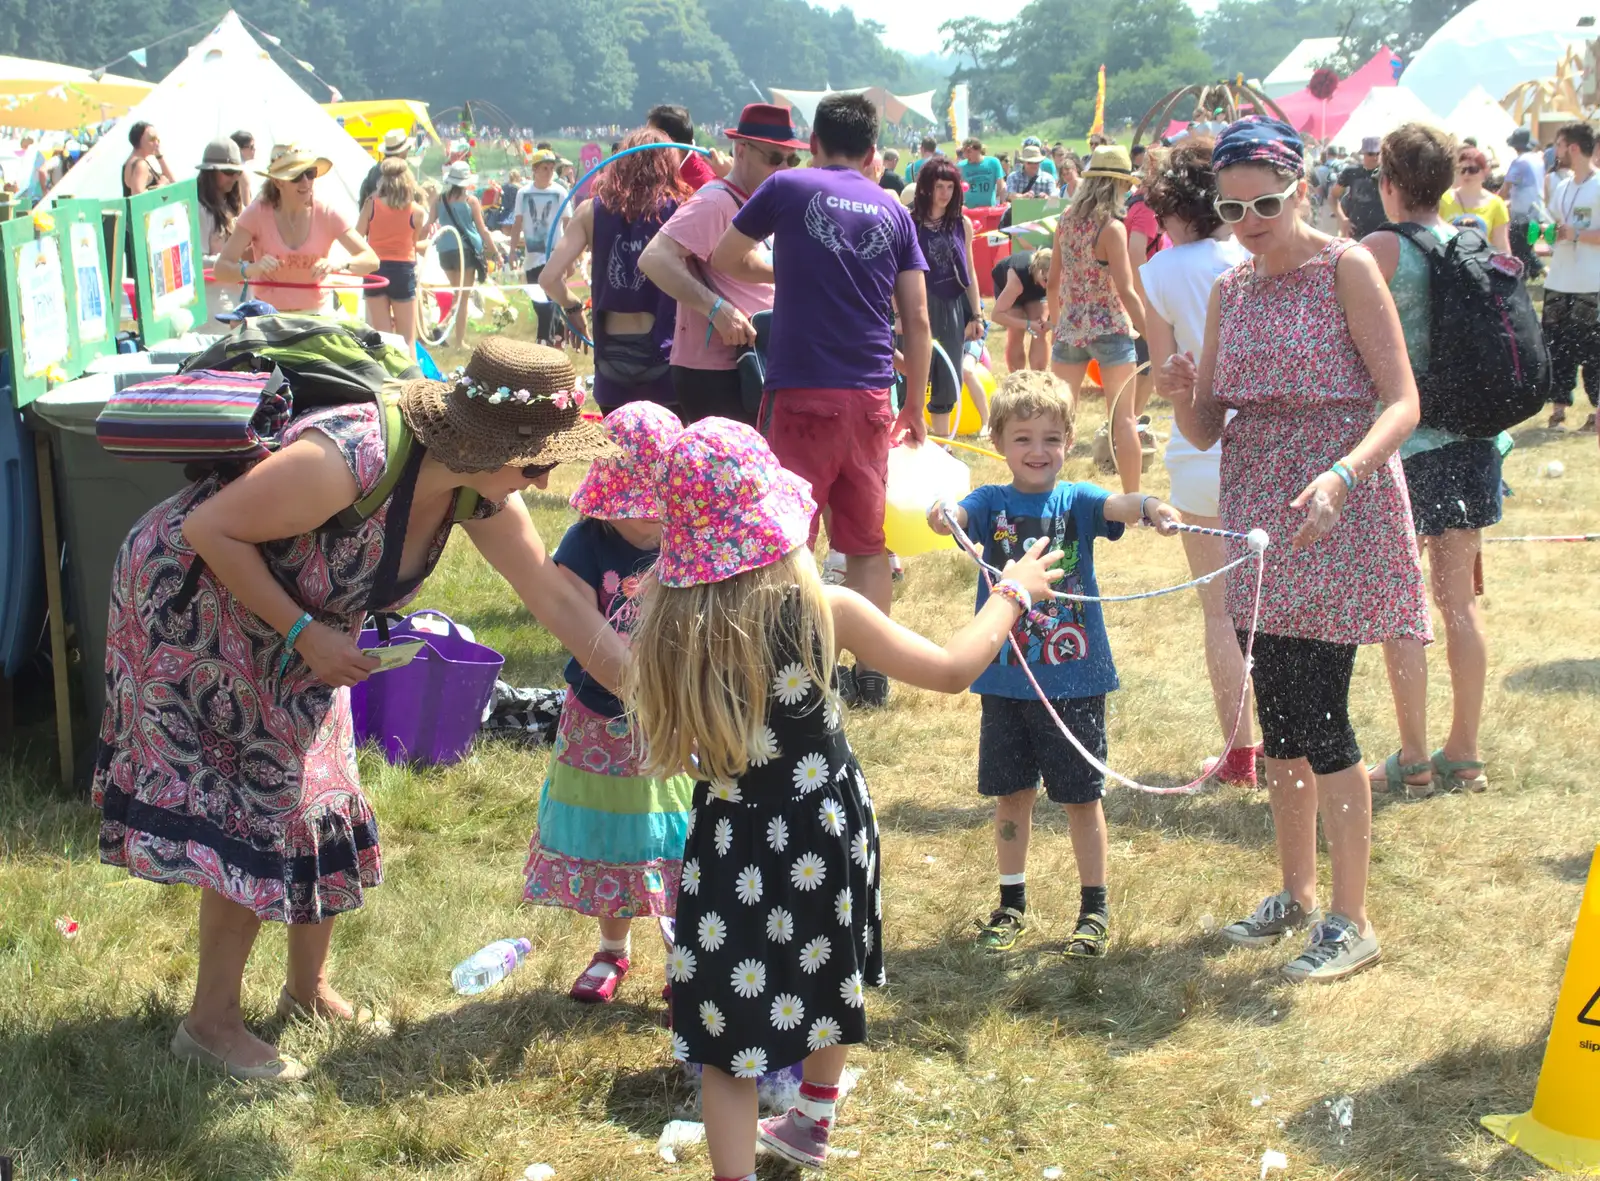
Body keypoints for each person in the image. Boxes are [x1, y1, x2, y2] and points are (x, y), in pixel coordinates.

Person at [94, 340, 630, 1080]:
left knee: (326, 789)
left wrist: (653, 691)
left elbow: (553, 596)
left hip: (297, 629)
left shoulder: (479, 490)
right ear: (486, 444)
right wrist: (304, 633)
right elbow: (207, 530)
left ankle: (306, 991)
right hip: (196, 604)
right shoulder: (350, 458)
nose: (545, 479)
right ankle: (209, 1022)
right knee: (255, 801)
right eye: (538, 462)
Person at [628, 418, 1062, 1180]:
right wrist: (1011, 596)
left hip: (730, 847)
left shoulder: (670, 624)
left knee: (727, 1036)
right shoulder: (825, 609)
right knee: (832, 974)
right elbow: (955, 667)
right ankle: (811, 1120)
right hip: (824, 828)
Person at [1162, 117, 1430, 984]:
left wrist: (1342, 475)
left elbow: (1401, 402)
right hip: (1259, 522)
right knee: (1278, 718)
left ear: (1302, 189)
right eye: (1232, 206)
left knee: (1322, 719)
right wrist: (1177, 394)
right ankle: (1297, 891)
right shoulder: (1229, 291)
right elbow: (1209, 422)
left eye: (1266, 203)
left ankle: (1353, 919)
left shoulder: (1346, 268)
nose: (1249, 220)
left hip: (1335, 514)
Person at [929, 372, 1178, 956]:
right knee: (1011, 795)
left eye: (1050, 438)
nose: (1037, 451)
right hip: (1005, 680)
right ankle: (1010, 903)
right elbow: (956, 517)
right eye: (1022, 439)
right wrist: (944, 516)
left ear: (1069, 440)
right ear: (997, 442)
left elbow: (1120, 503)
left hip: (1075, 681)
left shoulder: (1079, 500)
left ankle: (1093, 909)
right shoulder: (989, 502)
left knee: (1079, 797)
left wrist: (1151, 505)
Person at [710, 90, 932, 710]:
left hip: (801, 390)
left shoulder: (787, 187)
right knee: (865, 542)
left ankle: (797, 666)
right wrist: (914, 403)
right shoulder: (893, 209)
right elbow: (915, 318)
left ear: (811, 144)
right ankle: (874, 673)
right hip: (869, 395)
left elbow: (726, 256)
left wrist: (791, 273)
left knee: (790, 539)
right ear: (870, 153)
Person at [523, 402, 695, 1001]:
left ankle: (686, 953)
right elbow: (569, 612)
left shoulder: (686, 542)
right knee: (611, 834)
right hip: (600, 714)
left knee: (673, 836)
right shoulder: (585, 542)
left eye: (656, 509)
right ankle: (612, 949)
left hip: (672, 717)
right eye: (634, 510)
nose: (648, 523)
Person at [1361, 124, 1502, 799]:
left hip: (1405, 448)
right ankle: (1465, 754)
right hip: (1472, 443)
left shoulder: (1379, 250)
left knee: (1401, 601)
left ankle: (1413, 759)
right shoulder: (1468, 237)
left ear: (1388, 182)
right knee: (1460, 602)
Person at [1139, 135, 1258, 787]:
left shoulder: (1160, 271)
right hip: (1271, 445)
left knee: (1221, 612)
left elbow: (1164, 377)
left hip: (1197, 453)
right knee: (1279, 607)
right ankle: (1292, 741)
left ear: (1174, 207)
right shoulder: (1257, 251)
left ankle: (1239, 753)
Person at [638, 103, 802, 424]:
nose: (783, 169)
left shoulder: (752, 202)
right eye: (773, 158)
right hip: (720, 371)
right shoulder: (715, 201)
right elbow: (654, 257)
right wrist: (716, 309)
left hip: (749, 363)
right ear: (741, 151)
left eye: (791, 160)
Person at [542, 127, 686, 411]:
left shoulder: (590, 211)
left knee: (618, 453)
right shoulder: (680, 209)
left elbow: (548, 278)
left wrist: (572, 307)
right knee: (668, 453)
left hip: (611, 366)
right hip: (666, 359)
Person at [1047, 144, 1146, 494]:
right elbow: (1127, 290)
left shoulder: (1067, 220)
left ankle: (1043, 492)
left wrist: (1058, 323)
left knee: (1056, 419)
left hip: (1071, 328)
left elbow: (1053, 280)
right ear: (1117, 185)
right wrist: (1150, 332)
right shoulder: (1112, 228)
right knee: (1124, 420)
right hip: (1112, 329)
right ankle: (1133, 500)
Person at [214, 145, 379, 315]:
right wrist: (252, 268)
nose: (306, 182)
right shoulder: (257, 213)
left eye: (310, 173)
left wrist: (339, 264)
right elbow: (221, 269)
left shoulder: (326, 212)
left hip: (316, 316)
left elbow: (372, 260)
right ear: (278, 182)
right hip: (268, 317)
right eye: (296, 176)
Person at [911, 158, 984, 438]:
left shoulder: (961, 224)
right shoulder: (910, 221)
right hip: (916, 303)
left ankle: (942, 445)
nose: (944, 193)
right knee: (913, 376)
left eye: (950, 187)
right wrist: (896, 313)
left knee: (947, 380)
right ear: (926, 188)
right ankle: (914, 440)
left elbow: (970, 272)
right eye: (938, 186)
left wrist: (976, 314)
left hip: (951, 305)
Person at [1540, 121, 1600, 432]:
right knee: (1557, 346)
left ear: (1573, 148)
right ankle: (1559, 410)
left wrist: (1575, 233)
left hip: (1591, 281)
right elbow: (1553, 224)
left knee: (1592, 349)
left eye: (1560, 145)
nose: (1556, 151)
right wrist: (1545, 233)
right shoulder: (1561, 186)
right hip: (1559, 279)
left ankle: (1597, 410)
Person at [429, 159, 504, 349]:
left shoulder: (439, 200)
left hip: (445, 251)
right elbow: (482, 229)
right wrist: (495, 253)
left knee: (458, 294)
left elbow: (428, 224)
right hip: (467, 251)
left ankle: (443, 326)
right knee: (463, 296)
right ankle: (458, 340)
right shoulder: (471, 201)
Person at [357, 157, 428, 347]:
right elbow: (411, 246)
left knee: (383, 338)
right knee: (407, 339)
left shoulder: (371, 204)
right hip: (403, 272)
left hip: (375, 270)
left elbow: (356, 238)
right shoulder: (417, 212)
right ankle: (411, 377)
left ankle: (386, 376)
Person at [1125, 144, 1170, 415]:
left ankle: (1130, 420)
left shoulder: (1138, 199)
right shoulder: (1145, 206)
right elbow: (1135, 252)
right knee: (1146, 362)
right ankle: (1133, 420)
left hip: (1141, 290)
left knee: (1146, 361)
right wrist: (1143, 296)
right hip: (1143, 293)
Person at [510, 150, 570, 345]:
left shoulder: (560, 192)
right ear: (534, 170)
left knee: (549, 301)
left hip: (555, 256)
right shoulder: (523, 193)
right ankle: (558, 331)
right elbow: (517, 223)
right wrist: (512, 251)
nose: (549, 172)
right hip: (532, 257)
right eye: (545, 168)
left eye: (552, 168)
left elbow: (569, 224)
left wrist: (572, 256)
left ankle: (543, 341)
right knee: (539, 303)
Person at [196, 138, 247, 333]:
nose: (234, 178)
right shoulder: (200, 209)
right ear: (210, 173)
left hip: (236, 299)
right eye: (228, 172)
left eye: (237, 172)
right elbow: (196, 262)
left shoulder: (231, 205)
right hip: (213, 304)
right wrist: (233, 264)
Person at [1440, 145, 1511, 253]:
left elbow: (1501, 245)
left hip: (1480, 265)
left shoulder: (1496, 204)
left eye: (1472, 169)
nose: (1467, 174)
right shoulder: (1444, 199)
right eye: (1462, 170)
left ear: (1485, 172)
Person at [990, 247, 1052, 372]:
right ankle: (1017, 380)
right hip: (1009, 284)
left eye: (1051, 282)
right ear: (1039, 270)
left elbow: (1062, 308)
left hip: (1034, 289)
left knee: (1040, 327)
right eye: (1046, 280)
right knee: (1016, 331)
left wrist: (1051, 324)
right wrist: (1028, 324)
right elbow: (996, 316)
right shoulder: (1016, 282)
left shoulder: (1053, 278)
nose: (1047, 286)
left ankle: (1039, 379)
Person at [647, 103, 731, 192]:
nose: (645, 144)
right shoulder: (655, 169)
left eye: (650, 138)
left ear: (669, 142)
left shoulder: (704, 183)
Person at [1504, 127, 1547, 278]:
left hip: (1522, 214)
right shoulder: (1538, 160)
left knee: (1519, 249)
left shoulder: (1519, 163)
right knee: (1528, 247)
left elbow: (1506, 187)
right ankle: (1533, 273)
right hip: (1537, 211)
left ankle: (1543, 271)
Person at [1331, 136, 1386, 239]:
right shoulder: (1351, 172)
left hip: (1383, 232)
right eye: (1370, 154)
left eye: (1378, 153)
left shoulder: (1388, 173)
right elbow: (1333, 196)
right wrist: (1342, 219)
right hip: (1356, 232)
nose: (1375, 157)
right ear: (1363, 153)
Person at [358, 128, 411, 210]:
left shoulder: (373, 171)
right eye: (408, 148)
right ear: (401, 152)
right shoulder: (400, 174)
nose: (408, 151)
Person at [122, 121, 174, 196]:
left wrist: (159, 157)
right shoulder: (140, 165)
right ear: (140, 139)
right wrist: (161, 186)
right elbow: (138, 195)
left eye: (157, 139)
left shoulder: (130, 163)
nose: (157, 143)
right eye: (152, 139)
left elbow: (172, 182)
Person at [961, 138, 1007, 208]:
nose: (965, 155)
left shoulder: (993, 162)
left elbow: (1001, 185)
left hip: (990, 210)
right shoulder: (961, 166)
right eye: (964, 152)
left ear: (978, 150)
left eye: (969, 151)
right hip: (969, 210)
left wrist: (1002, 204)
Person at [230, 129, 256, 205]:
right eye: (251, 147)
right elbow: (247, 205)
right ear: (239, 149)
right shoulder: (242, 172)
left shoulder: (231, 169)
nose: (254, 149)